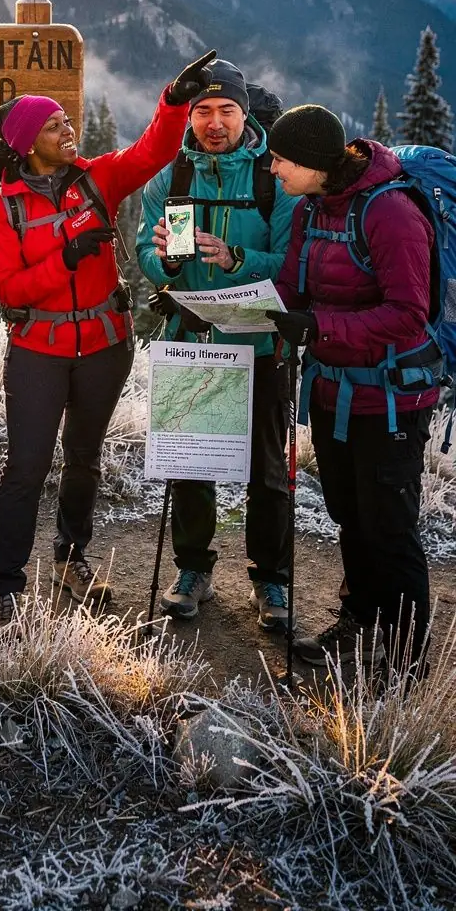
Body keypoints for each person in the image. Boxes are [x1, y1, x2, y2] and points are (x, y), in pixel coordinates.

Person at [0, 52, 216, 624]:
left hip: (106, 348)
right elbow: (11, 293)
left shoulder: (97, 178)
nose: (69, 130)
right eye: (55, 125)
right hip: (39, 352)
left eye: (67, 120)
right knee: (27, 466)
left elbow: (151, 153)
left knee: (84, 459)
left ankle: (70, 557)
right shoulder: (2, 208)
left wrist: (173, 100)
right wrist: (65, 257)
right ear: (26, 142)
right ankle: (8, 579)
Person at [267, 104, 438, 671]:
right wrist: (221, 309)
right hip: (333, 392)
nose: (273, 169)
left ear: (314, 162)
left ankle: (406, 661)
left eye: (281, 160)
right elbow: (292, 287)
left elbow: (409, 313)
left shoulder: (389, 213)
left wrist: (319, 326)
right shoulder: (311, 209)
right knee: (348, 512)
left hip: (391, 398)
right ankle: (361, 621)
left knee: (389, 525)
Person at [136, 60, 297, 630]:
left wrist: (236, 260)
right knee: (190, 466)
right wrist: (166, 260)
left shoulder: (270, 179)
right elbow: (149, 253)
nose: (214, 122)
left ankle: (270, 580)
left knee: (268, 472)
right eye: (202, 111)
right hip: (191, 339)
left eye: (225, 110)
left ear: (244, 112)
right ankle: (193, 571)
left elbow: (290, 266)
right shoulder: (173, 178)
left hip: (258, 345)